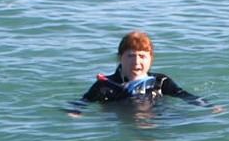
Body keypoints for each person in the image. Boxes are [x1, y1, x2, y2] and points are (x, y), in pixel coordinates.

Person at [76, 31, 211, 107]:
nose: (136, 62)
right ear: (120, 58)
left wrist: (207, 105)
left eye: (142, 56)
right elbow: (83, 102)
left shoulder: (160, 81)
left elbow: (183, 95)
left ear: (151, 59)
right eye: (130, 56)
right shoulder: (105, 85)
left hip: (155, 118)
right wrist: (75, 111)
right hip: (119, 121)